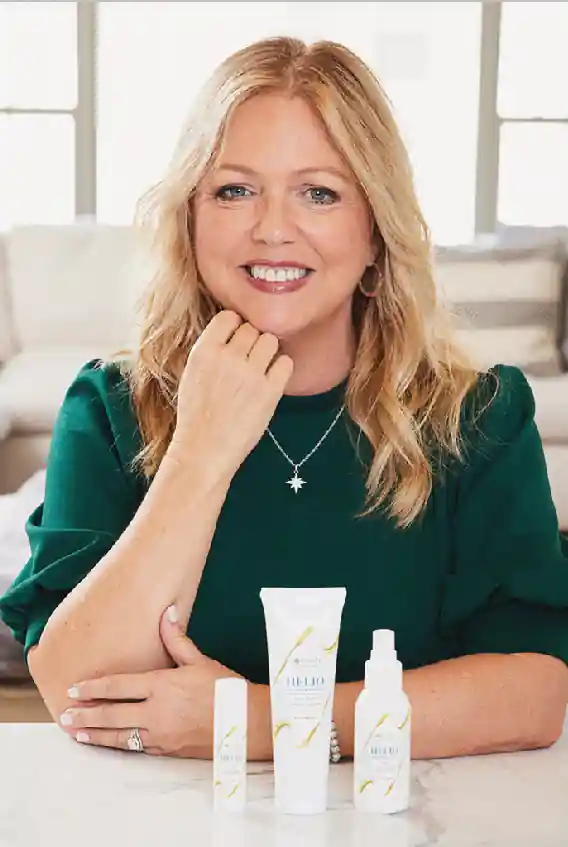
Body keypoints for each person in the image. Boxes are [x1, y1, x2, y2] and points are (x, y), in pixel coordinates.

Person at [1, 36, 567, 763]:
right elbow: (78, 691)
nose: (272, 228)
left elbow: (534, 693)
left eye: (319, 193)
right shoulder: (110, 408)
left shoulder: (479, 416)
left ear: (375, 233)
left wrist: (258, 723)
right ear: (191, 218)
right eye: (234, 190)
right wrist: (200, 452)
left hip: (399, 812)